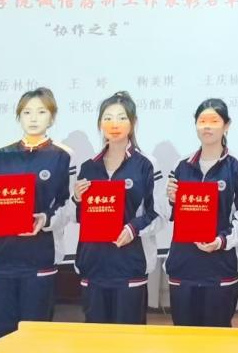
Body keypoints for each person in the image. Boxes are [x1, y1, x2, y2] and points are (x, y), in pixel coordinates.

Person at [0, 87, 73, 342]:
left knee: (35, 334)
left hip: (38, 257)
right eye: (27, 112)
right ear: (19, 116)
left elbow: (70, 206)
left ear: (52, 117)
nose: (33, 118)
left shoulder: (62, 157)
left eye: (41, 112)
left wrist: (46, 219)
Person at [73, 91, 163, 324]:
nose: (114, 124)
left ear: (133, 123)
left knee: (128, 336)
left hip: (129, 264)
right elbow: (80, 218)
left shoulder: (146, 164)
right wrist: (77, 199)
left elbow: (159, 214)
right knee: (96, 337)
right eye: (108, 118)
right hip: (94, 264)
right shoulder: (88, 167)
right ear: (100, 124)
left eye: (122, 118)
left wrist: (133, 229)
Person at [164, 98, 238, 327]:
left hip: (219, 267)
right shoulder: (181, 165)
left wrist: (221, 241)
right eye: (202, 121)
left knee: (217, 337)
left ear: (227, 125)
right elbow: (168, 215)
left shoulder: (237, 166)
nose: (207, 126)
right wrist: (172, 199)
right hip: (183, 266)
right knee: (183, 337)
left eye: (214, 121)